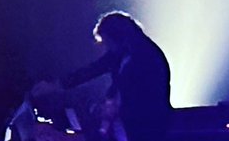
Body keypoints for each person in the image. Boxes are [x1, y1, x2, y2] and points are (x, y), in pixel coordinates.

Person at [34, 11, 171, 141]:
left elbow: (141, 95)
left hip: (146, 125)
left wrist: (112, 107)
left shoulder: (147, 57)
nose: (106, 47)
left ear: (118, 38)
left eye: (107, 42)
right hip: (131, 121)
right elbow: (94, 69)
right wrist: (58, 85)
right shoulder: (122, 51)